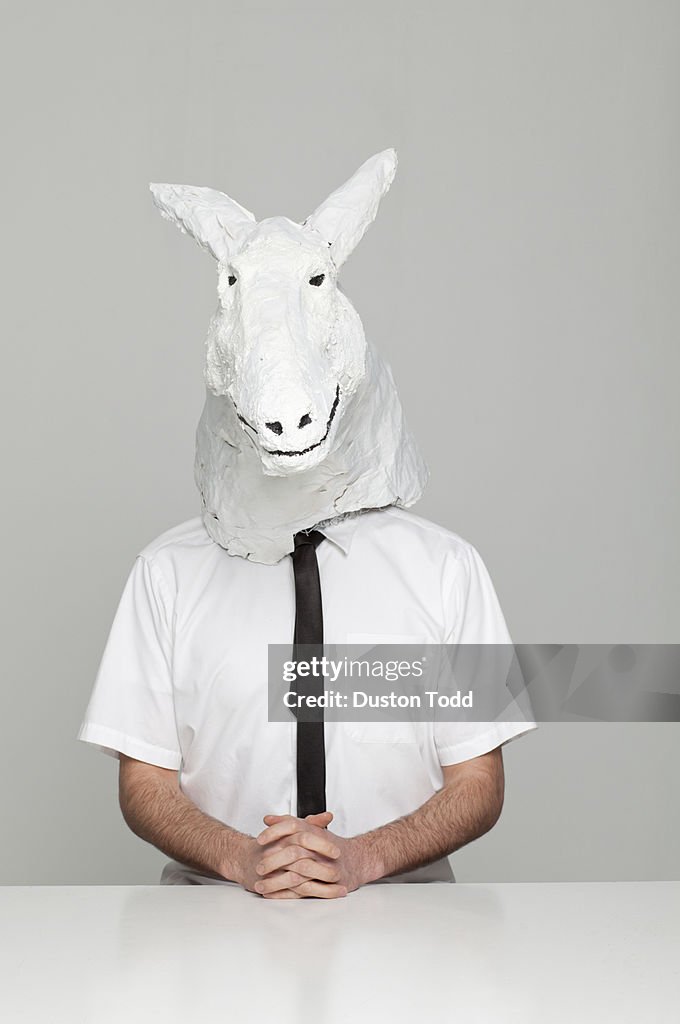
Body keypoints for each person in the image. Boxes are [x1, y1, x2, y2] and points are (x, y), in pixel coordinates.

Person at [77, 150, 536, 898]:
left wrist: (363, 859)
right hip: (208, 940)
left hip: (412, 940)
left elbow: (479, 781)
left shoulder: (447, 571)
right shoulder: (166, 575)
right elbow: (146, 783)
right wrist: (239, 859)